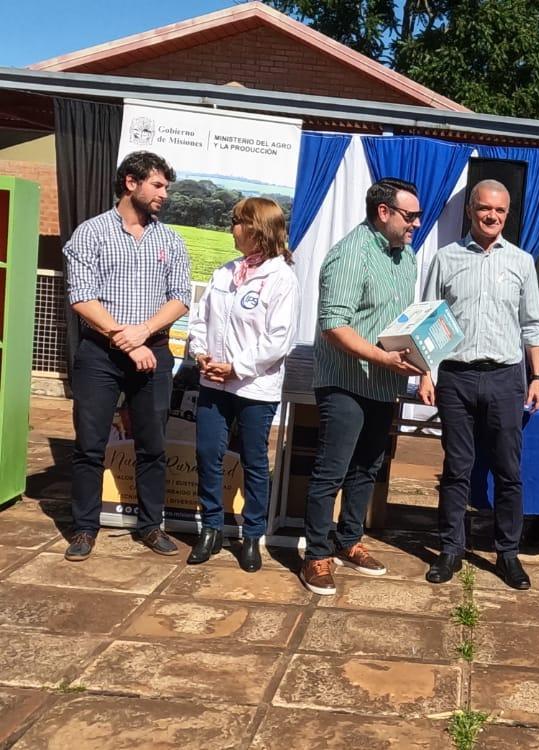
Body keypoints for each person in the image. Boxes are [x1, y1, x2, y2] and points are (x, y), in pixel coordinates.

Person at [62, 151, 191, 562]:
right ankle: (84, 528)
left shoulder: (170, 239)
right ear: (131, 183)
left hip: (153, 352)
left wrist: (144, 336)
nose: (164, 194)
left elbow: (181, 299)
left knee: (152, 444)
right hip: (100, 354)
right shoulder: (91, 233)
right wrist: (126, 340)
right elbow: (82, 297)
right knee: (89, 444)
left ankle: (151, 526)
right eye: (157, 185)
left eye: (166, 187)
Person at [298, 178, 425, 595]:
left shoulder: (405, 257)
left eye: (419, 216)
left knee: (367, 467)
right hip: (346, 382)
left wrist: (421, 362)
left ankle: (349, 540)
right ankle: (316, 554)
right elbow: (334, 326)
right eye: (411, 216)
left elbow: (404, 322)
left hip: (384, 383)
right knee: (330, 471)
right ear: (383, 212)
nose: (417, 224)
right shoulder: (350, 255)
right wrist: (382, 357)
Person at [418, 179, 539, 589]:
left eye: (500, 211)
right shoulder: (445, 258)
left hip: (507, 377)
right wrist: (425, 371)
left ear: (508, 214)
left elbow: (532, 323)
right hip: (455, 377)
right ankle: (450, 549)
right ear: (471, 209)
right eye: (485, 208)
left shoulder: (522, 262)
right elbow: (427, 318)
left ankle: (508, 553)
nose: (492, 216)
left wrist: (538, 376)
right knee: (456, 468)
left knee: (508, 471)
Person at [186, 197, 300, 572]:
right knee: (207, 454)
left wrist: (236, 367)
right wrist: (201, 353)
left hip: (254, 387)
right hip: (213, 382)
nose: (231, 228)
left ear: (256, 229)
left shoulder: (282, 278)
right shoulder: (224, 273)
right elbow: (200, 320)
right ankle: (212, 528)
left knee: (253, 462)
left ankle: (251, 535)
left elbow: (278, 339)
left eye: (237, 222)